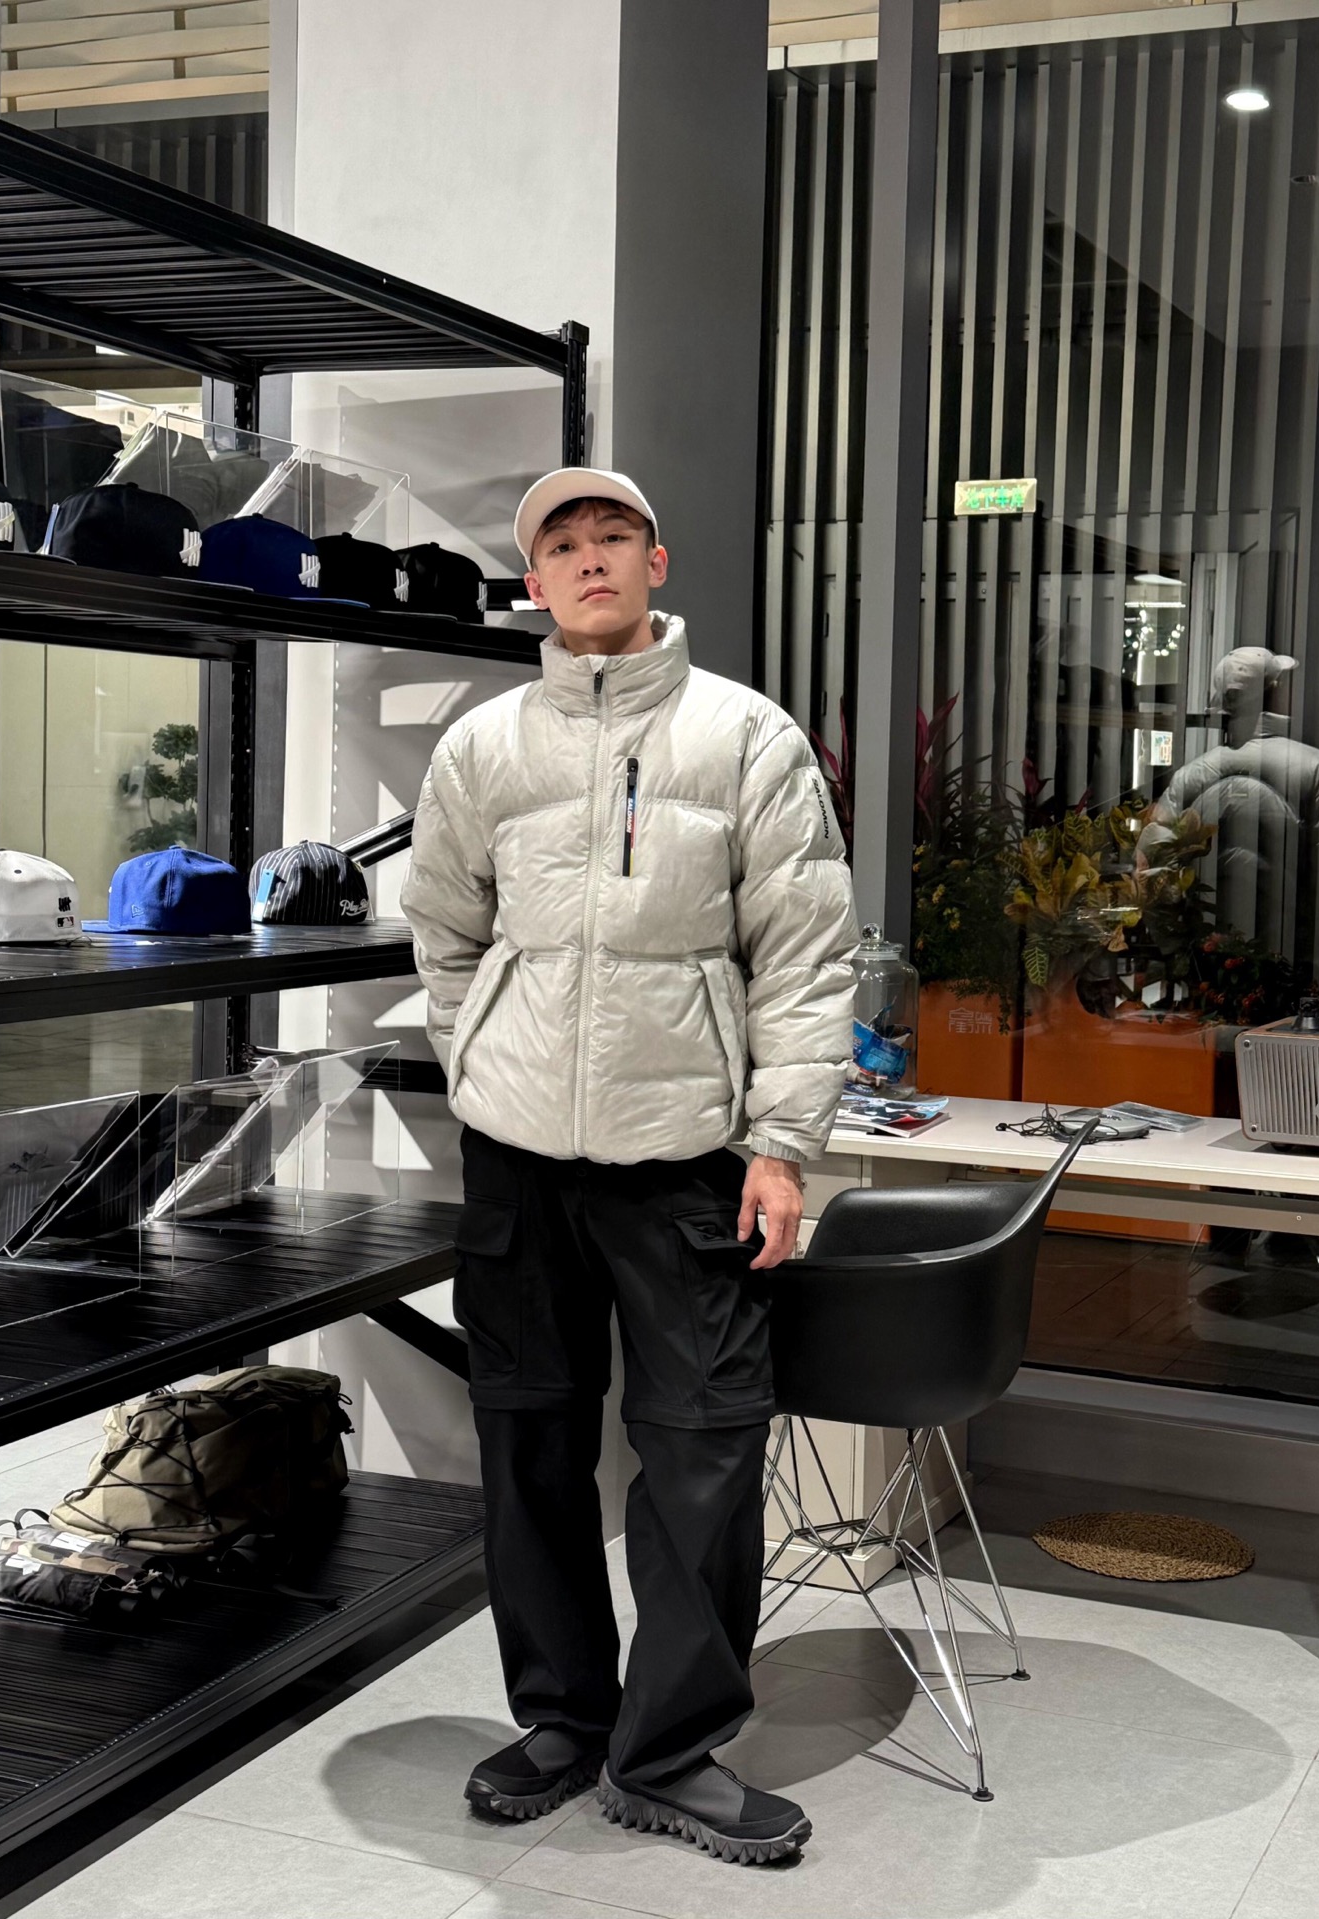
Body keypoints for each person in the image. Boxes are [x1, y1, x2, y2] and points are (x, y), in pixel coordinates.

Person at [400, 468, 857, 1867]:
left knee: (704, 1448)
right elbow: (445, 931)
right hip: (519, 1153)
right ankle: (561, 1718)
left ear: (657, 562)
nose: (589, 559)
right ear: (534, 581)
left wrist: (783, 1144)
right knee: (529, 1438)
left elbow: (805, 952)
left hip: (688, 1156)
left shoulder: (746, 735)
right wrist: (484, 1057)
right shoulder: (483, 747)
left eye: (613, 537)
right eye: (563, 544)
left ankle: (668, 1748)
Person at [1141, 645, 1319, 992]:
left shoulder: (1190, 777)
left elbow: (1153, 873)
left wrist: (1177, 955)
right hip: (1294, 972)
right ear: (1273, 691)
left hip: (1208, 974)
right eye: (1282, 683)